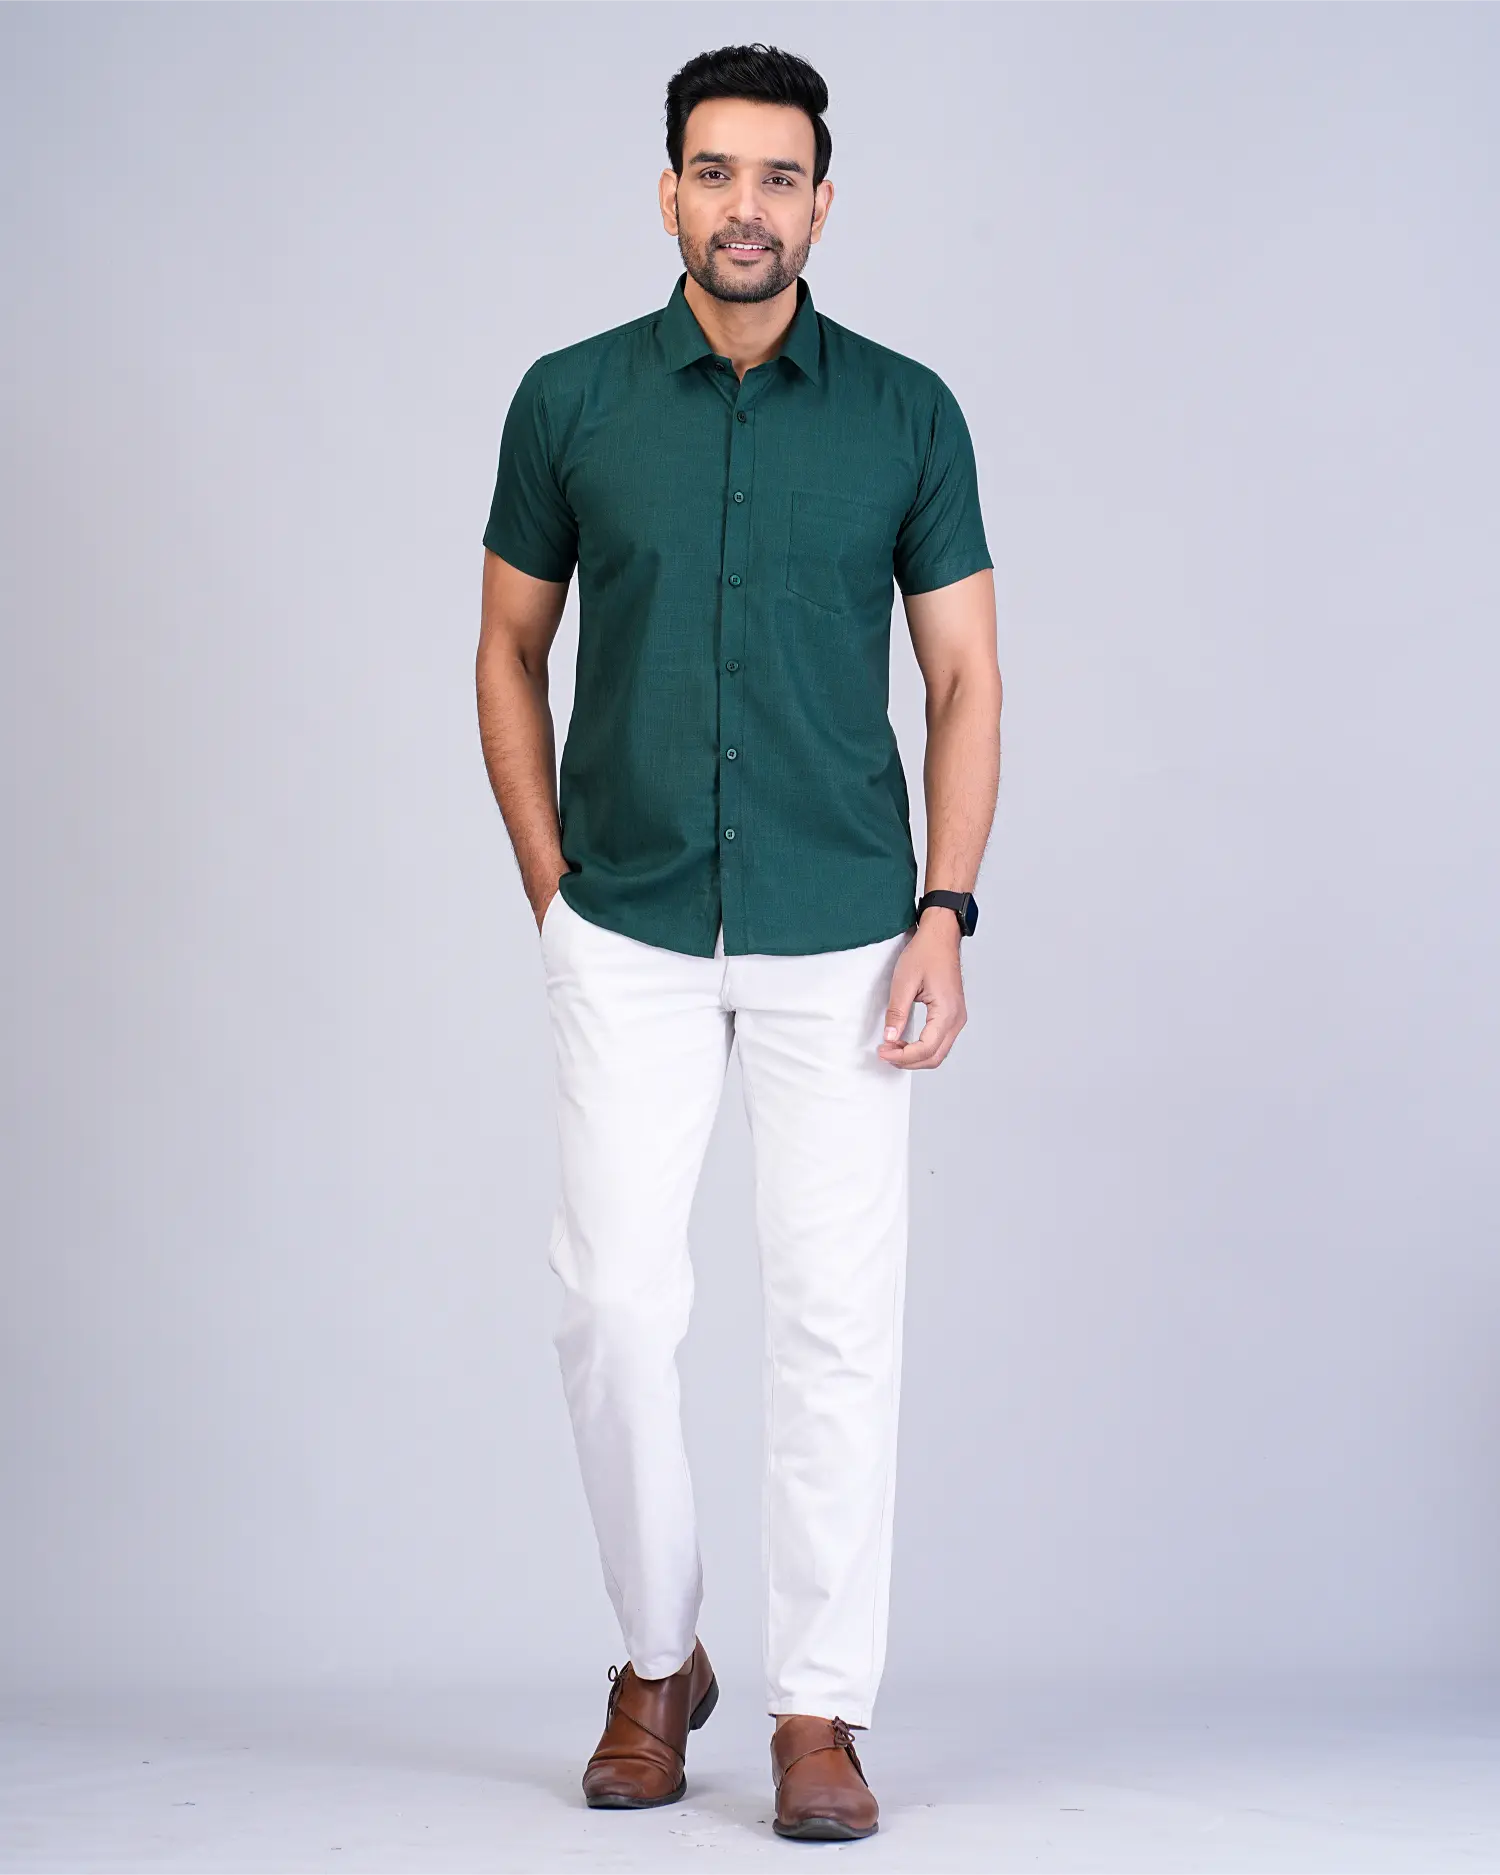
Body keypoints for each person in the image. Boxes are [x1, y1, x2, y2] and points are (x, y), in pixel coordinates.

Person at [475, 40, 1001, 1845]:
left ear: (823, 204)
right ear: (669, 192)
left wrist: (946, 909)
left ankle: (819, 1709)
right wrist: (549, 885)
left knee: (837, 1325)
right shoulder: (569, 401)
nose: (747, 207)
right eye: (716, 172)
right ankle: (658, 1656)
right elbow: (507, 649)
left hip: (844, 928)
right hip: (621, 919)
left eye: (780, 177)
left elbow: (962, 676)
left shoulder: (909, 414)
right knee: (614, 1307)